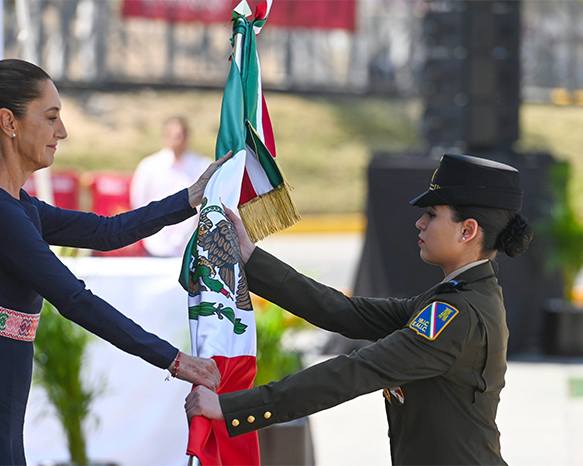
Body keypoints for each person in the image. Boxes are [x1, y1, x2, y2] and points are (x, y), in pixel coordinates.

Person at [0, 58, 230, 465]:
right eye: (51, 117)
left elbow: (107, 232)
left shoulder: (14, 205)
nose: (62, 131)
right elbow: (75, 299)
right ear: (9, 122)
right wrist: (176, 361)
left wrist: (191, 197)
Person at [186, 153, 534, 465]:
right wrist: (250, 258)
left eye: (432, 214)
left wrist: (232, 408)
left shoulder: (457, 314)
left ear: (467, 230)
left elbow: (357, 371)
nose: (420, 223)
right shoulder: (461, 296)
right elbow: (344, 311)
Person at [130, 117, 211, 257]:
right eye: (173, 136)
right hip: (155, 244)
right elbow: (138, 202)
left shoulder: (202, 166)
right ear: (165, 137)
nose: (177, 141)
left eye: (180, 136)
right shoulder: (149, 166)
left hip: (191, 245)